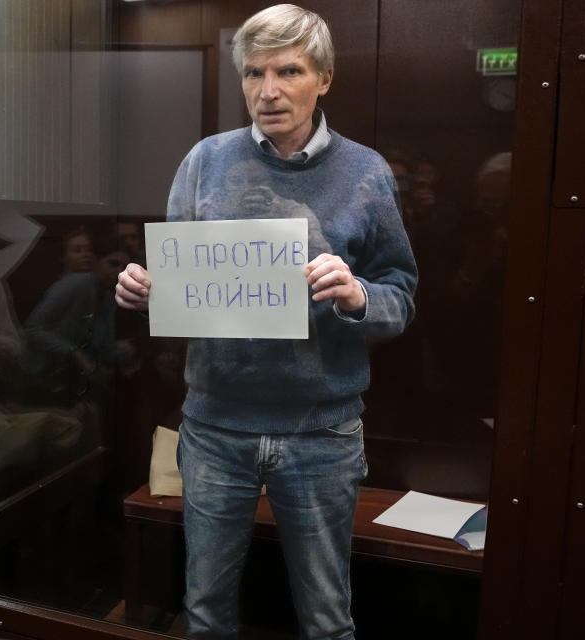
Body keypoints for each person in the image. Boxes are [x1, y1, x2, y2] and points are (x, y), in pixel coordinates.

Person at [115, 6, 417, 640]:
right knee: (205, 613)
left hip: (320, 432)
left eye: (289, 70)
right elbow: (177, 275)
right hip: (215, 426)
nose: (268, 90)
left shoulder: (365, 173)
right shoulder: (205, 161)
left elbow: (401, 296)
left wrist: (359, 295)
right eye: (254, 73)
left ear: (324, 78)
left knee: (328, 620)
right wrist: (145, 287)